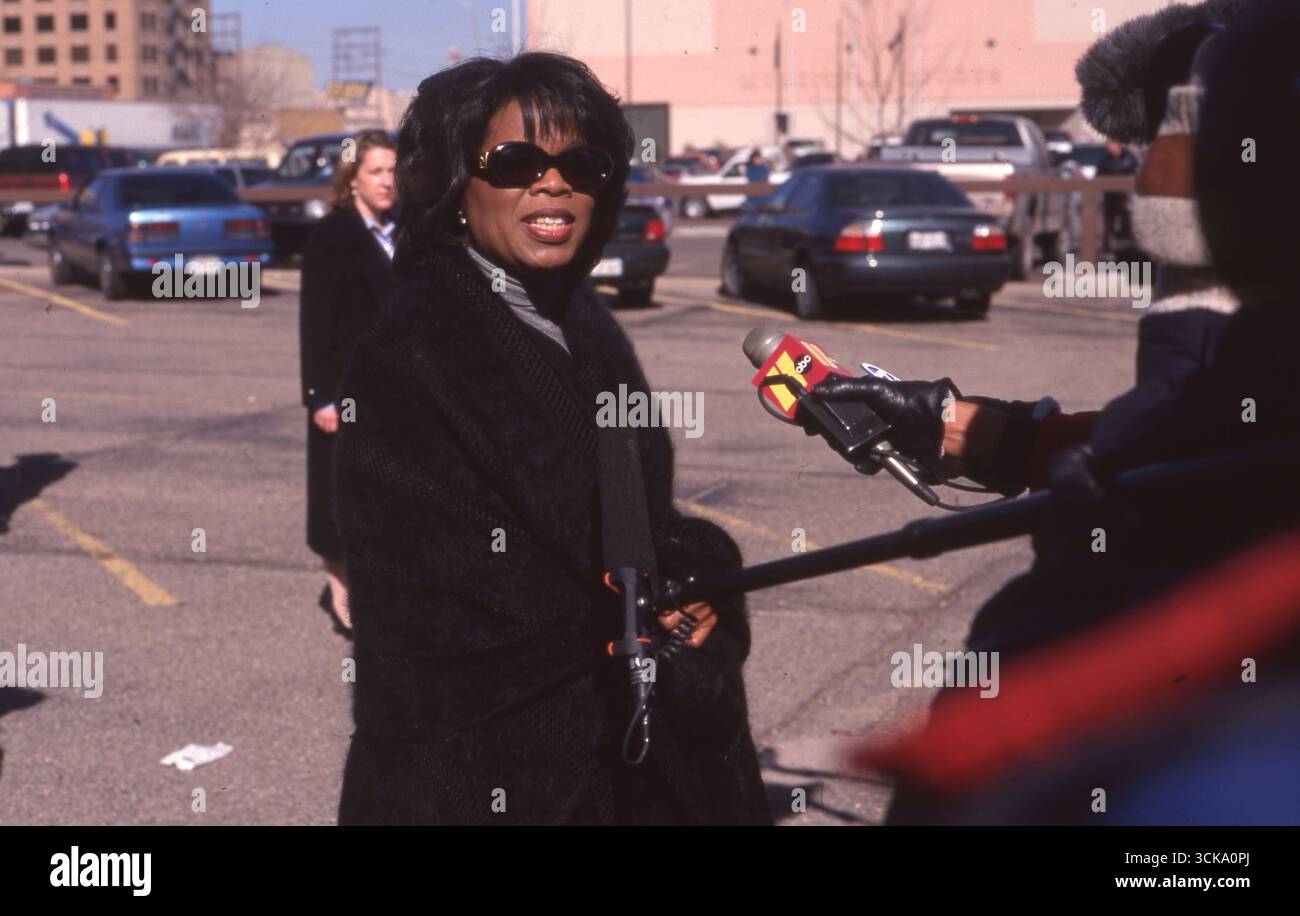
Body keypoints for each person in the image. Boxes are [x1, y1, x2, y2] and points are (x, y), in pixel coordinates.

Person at [819, 0, 1300, 823]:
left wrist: (1083, 562)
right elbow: (1169, 428)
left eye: (1189, 128)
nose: (1149, 159)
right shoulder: (1220, 389)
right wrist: (951, 427)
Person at [332, 52, 770, 825]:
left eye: (583, 162)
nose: (554, 182)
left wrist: (695, 582)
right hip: (483, 776)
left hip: (626, 757)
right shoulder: (409, 350)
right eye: (514, 161)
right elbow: (425, 608)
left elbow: (641, 517)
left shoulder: (581, 321)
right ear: (453, 187)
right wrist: (626, 616)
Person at [298, 129, 397, 638]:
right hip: (344, 393)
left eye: (393, 171)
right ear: (353, 178)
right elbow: (315, 323)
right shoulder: (334, 235)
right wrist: (320, 395)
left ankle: (381, 591)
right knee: (340, 500)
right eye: (377, 171)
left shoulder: (398, 232)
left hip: (394, 398)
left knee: (382, 498)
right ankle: (343, 596)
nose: (387, 182)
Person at [1096, 139, 1138, 254]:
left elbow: (1135, 173)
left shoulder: (1129, 159)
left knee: (1128, 222)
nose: (1109, 147)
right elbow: (1099, 176)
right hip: (1110, 197)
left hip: (1125, 197)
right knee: (1108, 222)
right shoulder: (1105, 160)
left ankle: (1131, 247)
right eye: (1108, 144)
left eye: (1112, 144)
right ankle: (1106, 246)